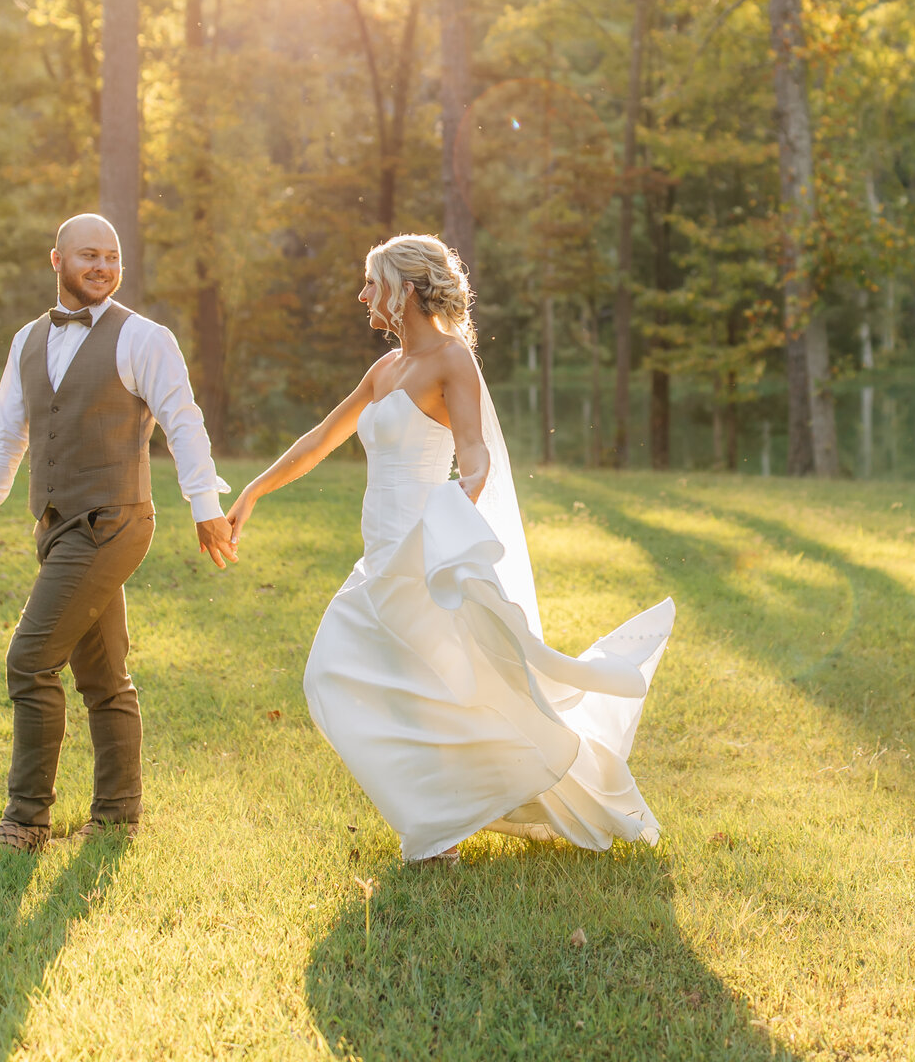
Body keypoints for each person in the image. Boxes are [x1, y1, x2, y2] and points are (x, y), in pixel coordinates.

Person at [229, 233, 674, 865]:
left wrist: (463, 494)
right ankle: (440, 818)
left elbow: (474, 447)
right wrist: (254, 490)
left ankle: (439, 832)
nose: (362, 296)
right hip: (378, 555)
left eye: (371, 283)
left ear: (405, 290)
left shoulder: (451, 361)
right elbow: (323, 436)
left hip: (420, 550)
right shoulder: (384, 371)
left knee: (434, 688)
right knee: (335, 672)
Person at [0, 213, 236, 854]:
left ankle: (26, 822)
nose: (103, 267)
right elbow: (7, 431)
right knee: (103, 676)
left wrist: (203, 503)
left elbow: (182, 422)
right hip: (55, 524)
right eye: (88, 256)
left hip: (114, 522)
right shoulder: (28, 340)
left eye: (111, 257)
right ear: (57, 261)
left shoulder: (145, 339)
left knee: (29, 660)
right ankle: (116, 816)